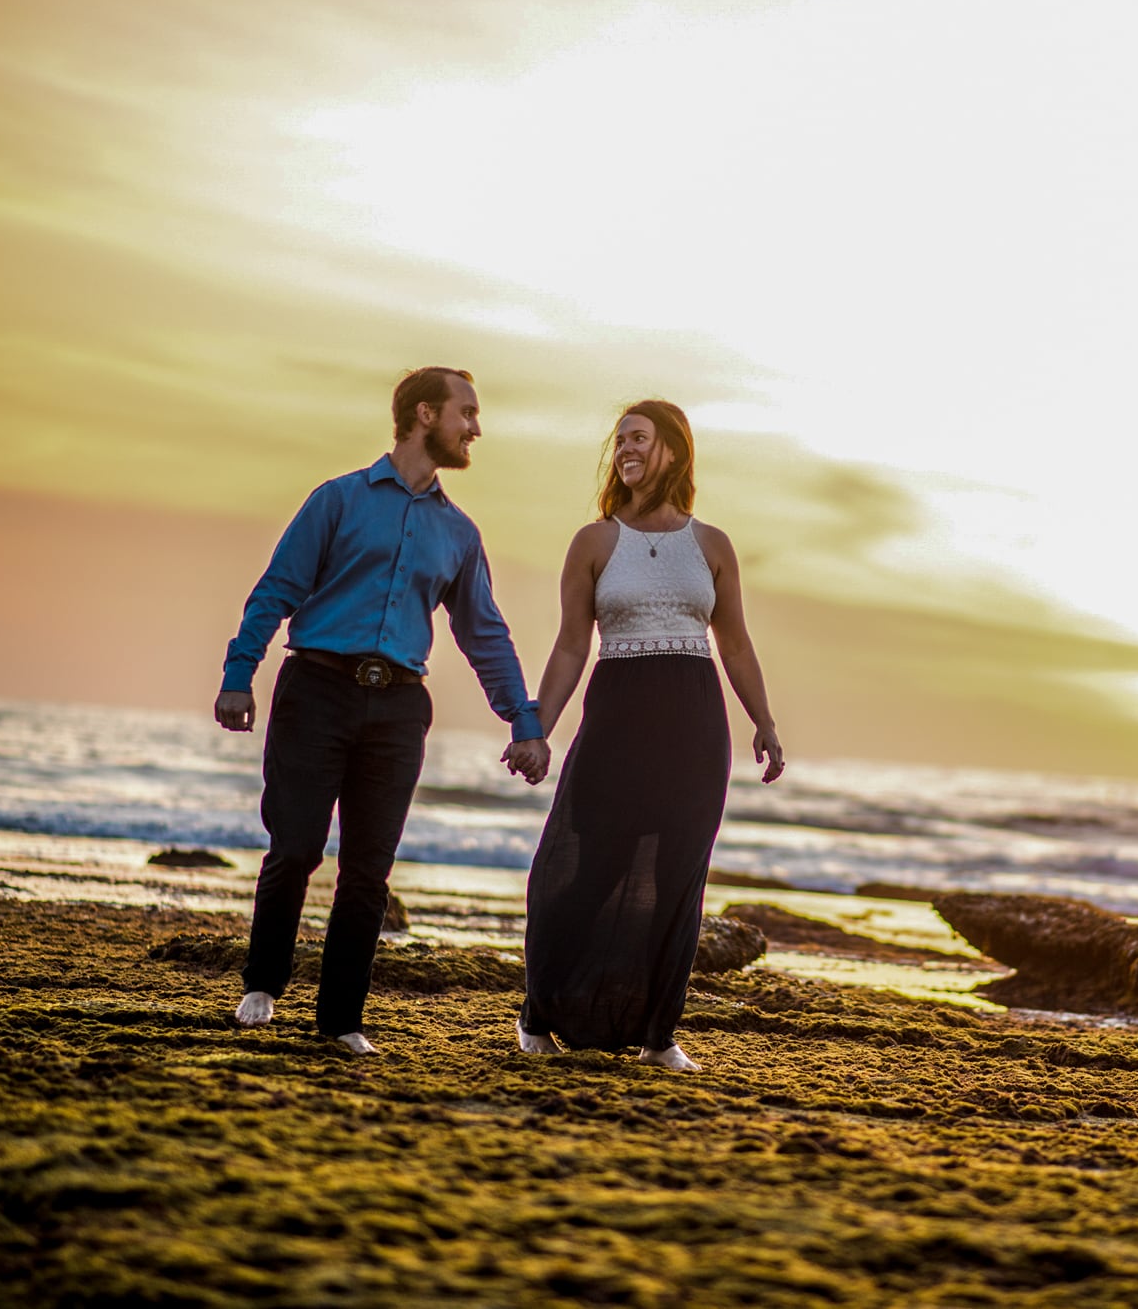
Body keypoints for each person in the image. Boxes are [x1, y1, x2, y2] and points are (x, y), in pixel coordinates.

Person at [214, 367, 550, 1055]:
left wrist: (523, 720)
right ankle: (263, 983)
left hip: (399, 705)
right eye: (467, 413)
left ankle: (341, 1020)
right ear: (424, 414)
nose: (476, 428)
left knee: (369, 869)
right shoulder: (336, 500)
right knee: (298, 846)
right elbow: (275, 590)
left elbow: (484, 632)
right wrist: (239, 673)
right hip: (317, 688)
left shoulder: (459, 532)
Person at [516, 399, 784, 1070]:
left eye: (639, 437)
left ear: (674, 450)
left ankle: (659, 1034)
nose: (626, 448)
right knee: (582, 867)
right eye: (620, 440)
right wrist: (537, 729)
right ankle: (538, 1012)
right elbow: (572, 648)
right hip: (619, 714)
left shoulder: (712, 545)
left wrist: (766, 722)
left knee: (678, 879)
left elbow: (738, 645)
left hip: (695, 718)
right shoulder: (596, 542)